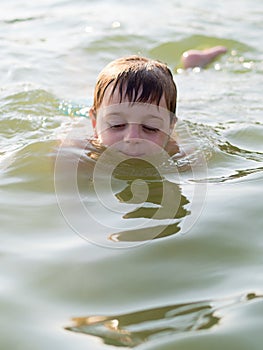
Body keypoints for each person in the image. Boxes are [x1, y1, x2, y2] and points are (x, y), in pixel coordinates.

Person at [88, 47, 227, 158]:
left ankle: (192, 67)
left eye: (150, 127)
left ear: (170, 128)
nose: (133, 138)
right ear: (94, 123)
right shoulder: (82, 150)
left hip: (186, 108)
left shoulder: (177, 153)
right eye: (116, 124)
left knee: (193, 98)